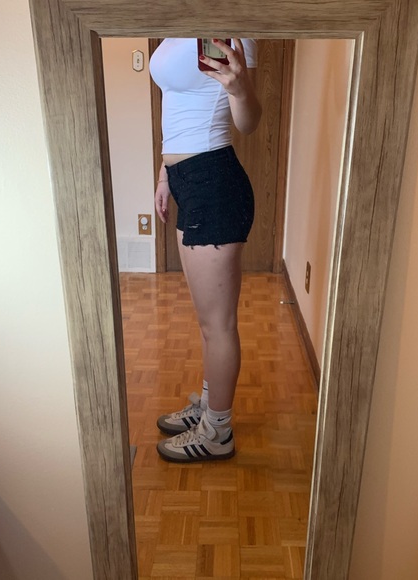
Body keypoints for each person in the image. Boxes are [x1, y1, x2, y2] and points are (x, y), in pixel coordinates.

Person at [149, 38, 261, 462]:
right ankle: (210, 408)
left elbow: (248, 122)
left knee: (218, 324)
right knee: (207, 322)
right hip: (187, 181)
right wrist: (165, 177)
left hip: (213, 180)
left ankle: (217, 432)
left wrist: (239, 89)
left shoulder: (232, 27)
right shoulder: (179, 23)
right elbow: (176, 104)